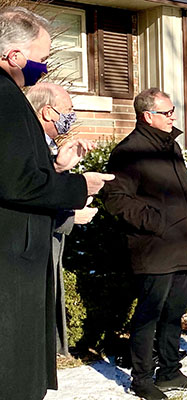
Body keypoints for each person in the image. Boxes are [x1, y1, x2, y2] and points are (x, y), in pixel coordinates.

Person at [0, 7, 113, 400]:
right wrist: (79, 186)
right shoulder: (6, 98)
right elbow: (18, 182)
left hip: (16, 257)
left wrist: (57, 166)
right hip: (11, 262)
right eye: (42, 58)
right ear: (15, 56)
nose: (44, 68)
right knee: (14, 372)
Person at [104, 88, 187, 400]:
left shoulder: (169, 146)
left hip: (183, 247)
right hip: (154, 249)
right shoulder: (130, 151)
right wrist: (156, 223)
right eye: (167, 112)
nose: (173, 116)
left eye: (172, 111)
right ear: (148, 116)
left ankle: (170, 371)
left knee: (174, 312)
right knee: (148, 315)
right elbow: (116, 199)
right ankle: (142, 379)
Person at [27, 82, 100, 356]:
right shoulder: (25, 147)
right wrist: (70, 215)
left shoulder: (45, 146)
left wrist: (60, 165)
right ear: (48, 112)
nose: (72, 116)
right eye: (68, 110)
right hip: (30, 261)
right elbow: (25, 201)